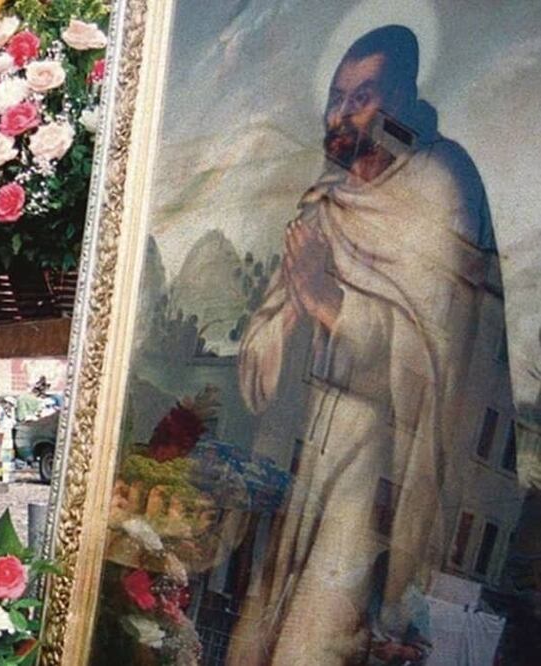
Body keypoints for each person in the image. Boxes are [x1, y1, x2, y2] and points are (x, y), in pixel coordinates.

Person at [230, 25, 501, 665]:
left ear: (403, 98)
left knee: (318, 641)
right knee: (258, 636)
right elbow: (258, 368)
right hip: (302, 458)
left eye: (362, 95)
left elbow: (442, 353)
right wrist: (298, 309)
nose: (342, 113)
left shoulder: (442, 184)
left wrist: (329, 304)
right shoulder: (325, 200)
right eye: (336, 96)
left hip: (381, 466)